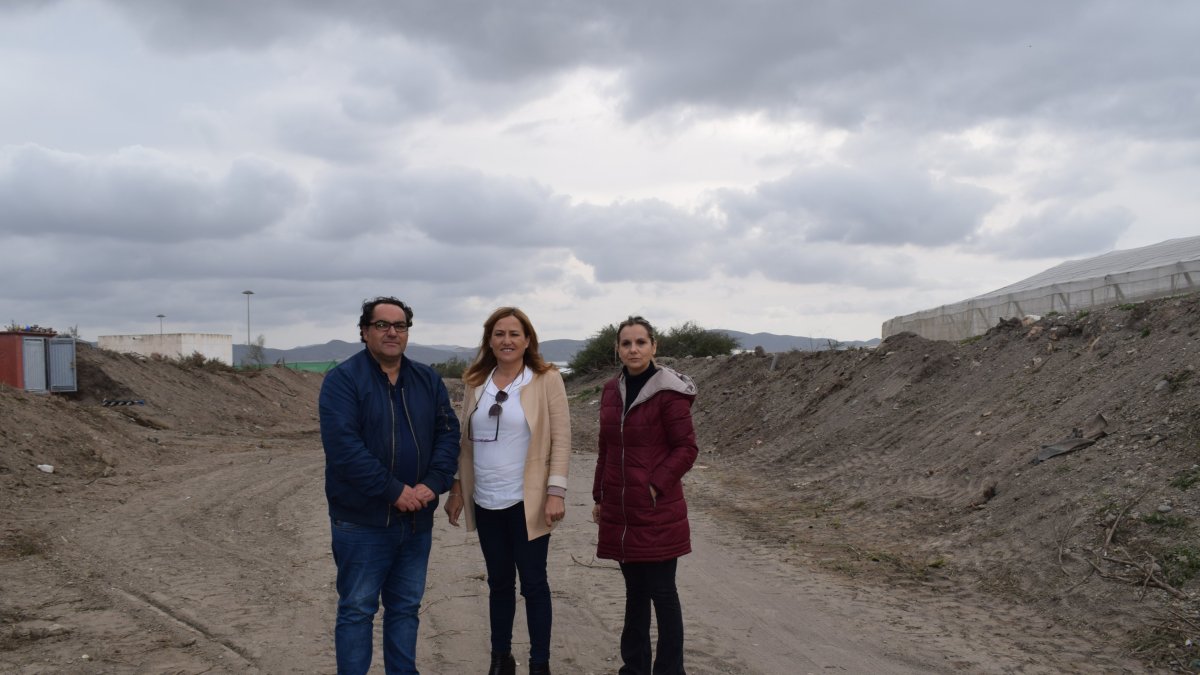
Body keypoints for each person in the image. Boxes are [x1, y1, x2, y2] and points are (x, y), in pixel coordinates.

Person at [319, 296, 460, 675]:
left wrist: (434, 483)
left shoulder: (427, 379)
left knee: (405, 608)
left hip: (415, 523)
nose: (392, 332)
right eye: (382, 325)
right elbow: (344, 449)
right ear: (364, 332)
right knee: (357, 610)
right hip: (361, 522)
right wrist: (395, 491)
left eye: (400, 325)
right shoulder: (343, 381)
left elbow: (448, 434)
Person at [444, 307, 570, 675]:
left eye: (515, 334)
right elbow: (465, 443)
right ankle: (501, 659)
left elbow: (561, 439)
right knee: (499, 582)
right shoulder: (475, 382)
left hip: (527, 500)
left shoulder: (545, 379)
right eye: (499, 334)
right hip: (487, 500)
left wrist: (556, 491)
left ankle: (539, 663)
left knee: (533, 584)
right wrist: (456, 488)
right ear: (489, 340)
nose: (507, 340)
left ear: (527, 339)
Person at [591, 316, 698, 675]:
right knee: (635, 593)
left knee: (663, 594)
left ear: (654, 346)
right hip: (621, 510)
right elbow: (606, 447)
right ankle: (633, 668)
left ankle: (670, 670)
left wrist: (654, 485)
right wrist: (599, 495)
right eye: (626, 343)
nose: (633, 349)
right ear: (617, 349)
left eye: (640, 342)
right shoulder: (610, 390)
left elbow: (686, 448)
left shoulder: (669, 391)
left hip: (656, 509)